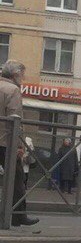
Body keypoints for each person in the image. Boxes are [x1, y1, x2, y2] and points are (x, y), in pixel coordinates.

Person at [0, 60, 38, 227]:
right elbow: (14, 120)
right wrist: (19, 146)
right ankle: (18, 215)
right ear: (15, 75)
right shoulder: (13, 90)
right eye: (22, 74)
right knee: (17, 180)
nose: (23, 77)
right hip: (6, 142)